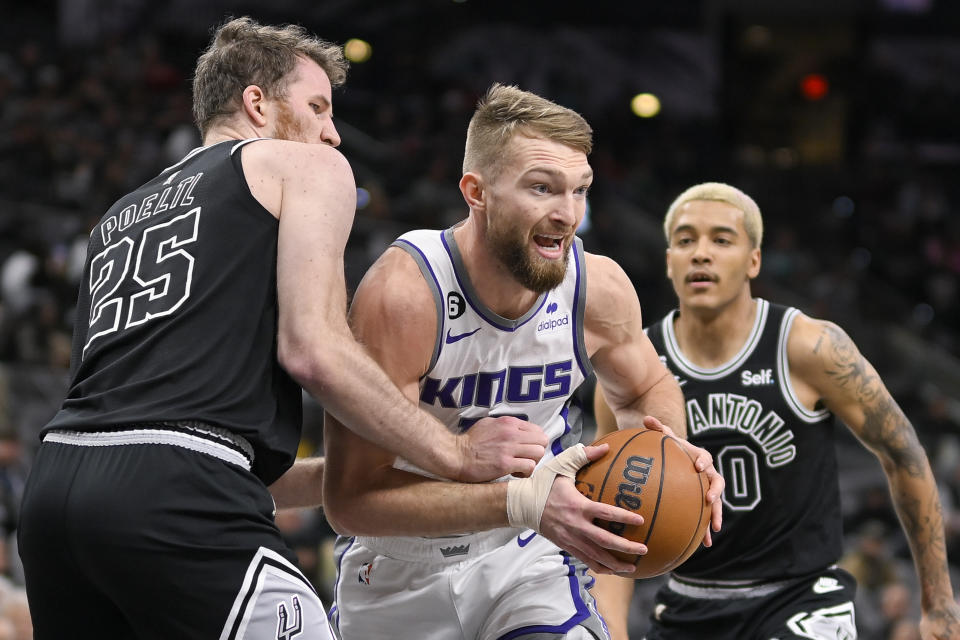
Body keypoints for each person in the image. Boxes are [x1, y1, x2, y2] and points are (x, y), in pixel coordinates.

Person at [17, 18, 551, 640]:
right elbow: (313, 349)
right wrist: (454, 453)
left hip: (55, 494)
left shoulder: (115, 219)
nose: (331, 132)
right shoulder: (299, 166)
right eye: (318, 106)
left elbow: (170, 434)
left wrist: (380, 473)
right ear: (256, 103)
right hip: (176, 489)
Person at [321, 83, 724, 640]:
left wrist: (670, 446)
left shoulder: (597, 287)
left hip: (528, 557)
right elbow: (351, 502)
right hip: (397, 566)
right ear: (476, 192)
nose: (567, 215)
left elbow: (642, 388)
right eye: (542, 188)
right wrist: (520, 501)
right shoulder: (404, 295)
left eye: (579, 190)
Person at [591, 182, 960, 639]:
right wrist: (611, 632)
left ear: (754, 260)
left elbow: (904, 454)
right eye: (686, 240)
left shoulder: (809, 346)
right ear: (668, 260)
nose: (701, 254)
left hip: (802, 597)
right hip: (688, 600)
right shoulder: (629, 368)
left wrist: (939, 602)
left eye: (721, 240)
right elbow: (609, 524)